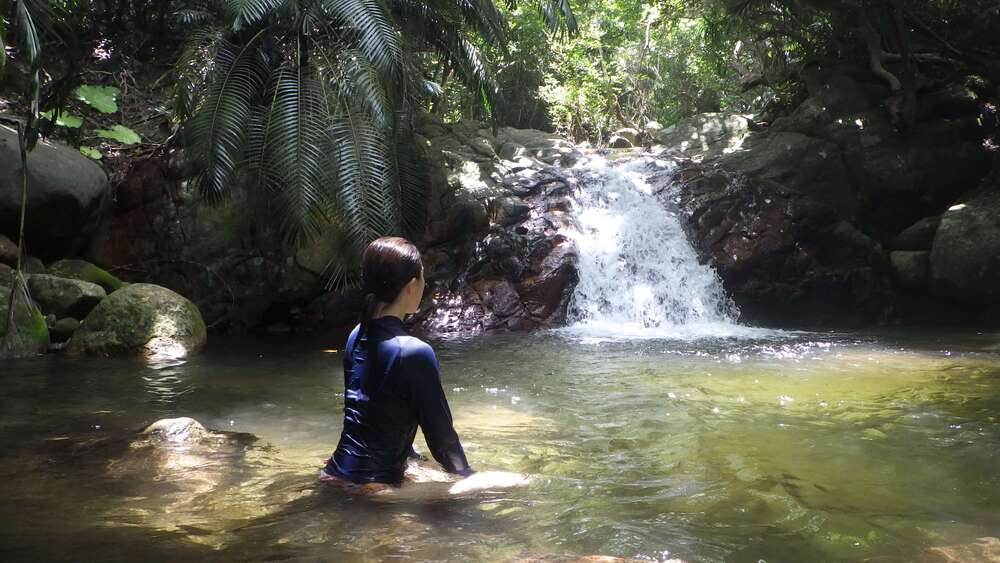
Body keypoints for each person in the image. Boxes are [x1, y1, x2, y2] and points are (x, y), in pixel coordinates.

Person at [321, 236, 474, 486]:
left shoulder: (356, 335)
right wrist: (467, 477)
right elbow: (443, 441)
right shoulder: (413, 352)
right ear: (412, 286)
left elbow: (379, 417)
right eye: (423, 278)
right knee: (509, 484)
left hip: (334, 473)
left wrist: (414, 460)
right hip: (373, 488)